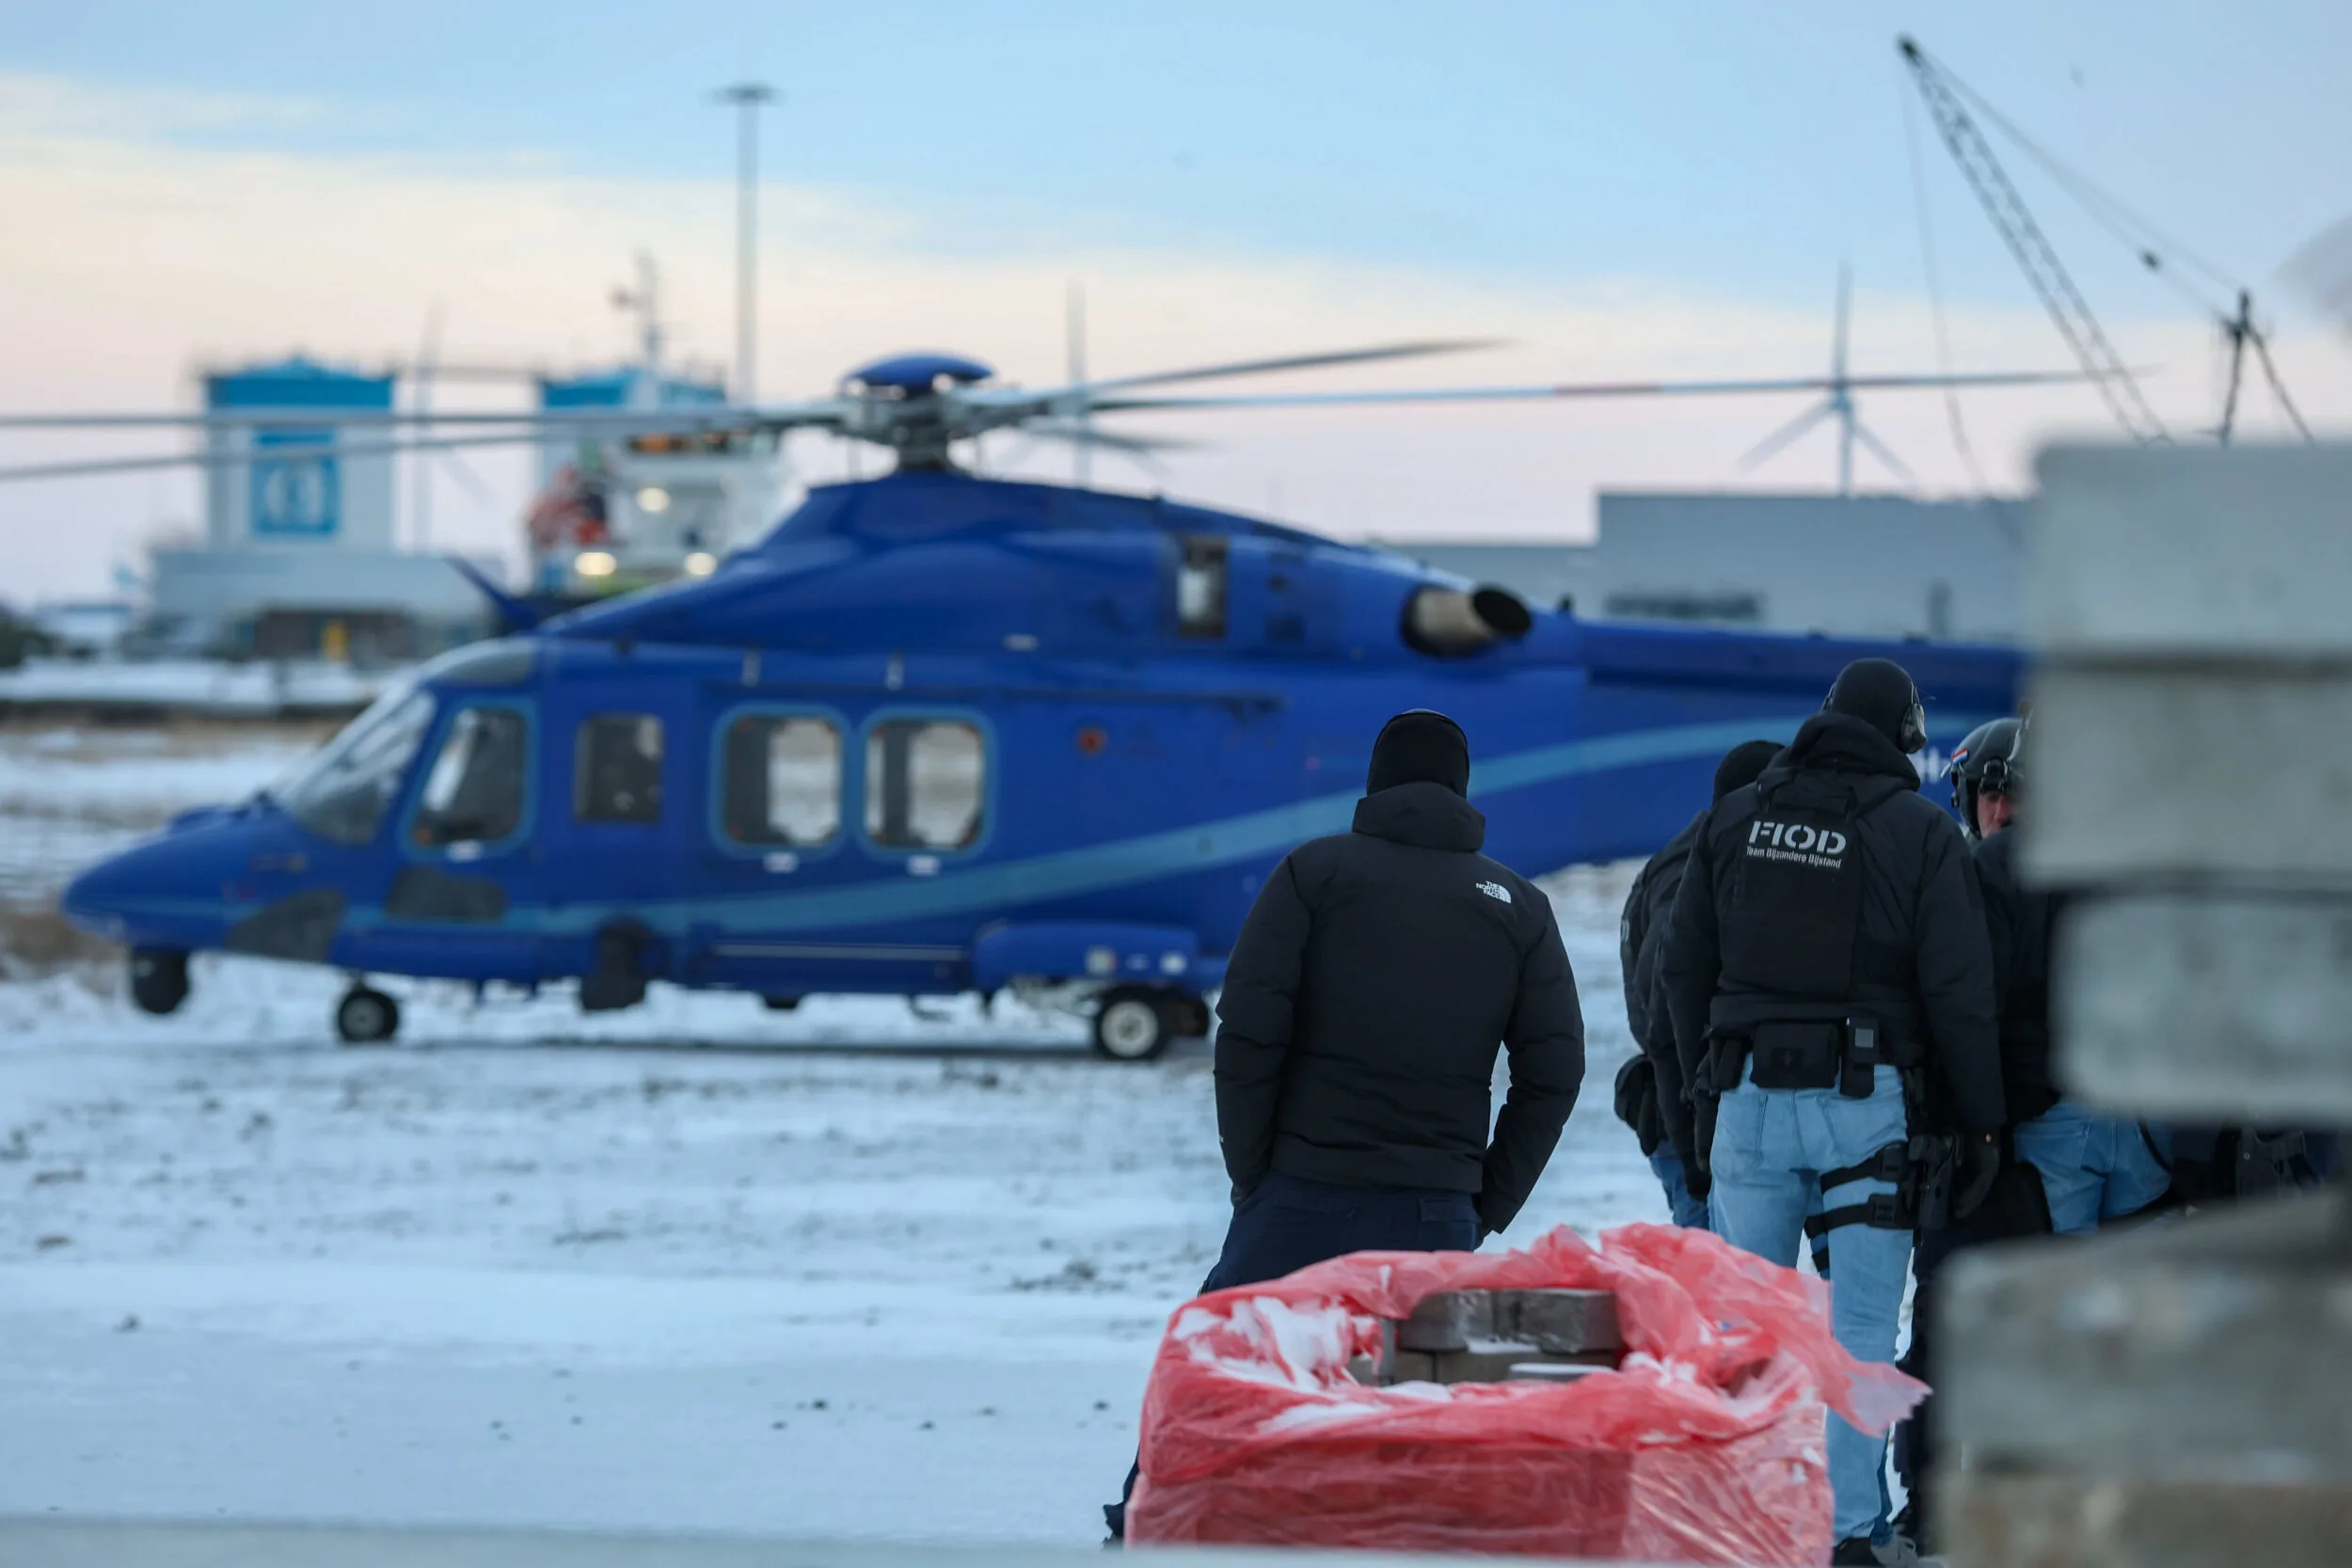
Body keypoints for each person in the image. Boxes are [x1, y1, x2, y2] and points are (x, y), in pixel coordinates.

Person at [1104, 708, 1585, 1541]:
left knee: (1219, 1369)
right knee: (1409, 1411)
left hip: (1298, 1189)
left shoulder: (1313, 873)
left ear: (1377, 783)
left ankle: (1156, 1524)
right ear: (1462, 790)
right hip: (1435, 1206)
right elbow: (1555, 1070)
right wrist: (1484, 1199)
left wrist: (1256, 1171)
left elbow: (1250, 1031)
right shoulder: (1518, 905)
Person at [1661, 658, 2003, 1567]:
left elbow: (1680, 966)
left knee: (1750, 1326)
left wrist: (1702, 1082)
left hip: (1744, 1099)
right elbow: (1958, 991)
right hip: (1867, 1105)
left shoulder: (1732, 819)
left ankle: (1747, 1517)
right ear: (1904, 736)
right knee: (1856, 1327)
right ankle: (1850, 1529)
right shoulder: (1919, 832)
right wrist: (1978, 1119)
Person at [1614, 737, 1784, 1228]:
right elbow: (1665, 1016)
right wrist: (1698, 1157)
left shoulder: (1706, 858)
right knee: (1723, 1285)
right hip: (1689, 1126)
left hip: (1703, 1118)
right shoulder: (1691, 872)